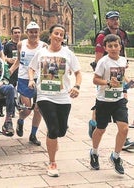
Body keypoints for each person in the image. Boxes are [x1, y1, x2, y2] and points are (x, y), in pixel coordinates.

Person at [28, 24, 82, 177]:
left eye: (61, 34)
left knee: (61, 131)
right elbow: (31, 68)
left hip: (63, 97)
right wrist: (31, 80)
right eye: (56, 33)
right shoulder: (41, 52)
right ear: (50, 35)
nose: (59, 36)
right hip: (45, 95)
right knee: (52, 128)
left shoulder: (68, 54)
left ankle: (53, 139)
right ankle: (52, 163)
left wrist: (77, 86)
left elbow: (78, 72)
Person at [88, 11, 134, 150]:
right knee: (104, 99)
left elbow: (123, 51)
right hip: (105, 74)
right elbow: (98, 57)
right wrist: (103, 74)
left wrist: (123, 64)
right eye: (112, 19)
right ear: (107, 21)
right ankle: (93, 122)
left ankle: (123, 138)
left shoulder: (122, 33)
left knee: (121, 98)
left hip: (118, 73)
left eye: (117, 19)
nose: (115, 21)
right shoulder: (102, 35)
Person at [89, 34, 131, 175]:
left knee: (124, 129)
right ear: (106, 48)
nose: (113, 48)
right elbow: (95, 80)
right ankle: (94, 152)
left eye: (116, 45)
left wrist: (129, 81)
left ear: (120, 46)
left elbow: (122, 76)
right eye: (110, 46)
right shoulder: (103, 62)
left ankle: (116, 156)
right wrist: (107, 83)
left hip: (118, 100)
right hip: (104, 101)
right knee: (101, 129)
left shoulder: (123, 60)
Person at [10, 21, 47, 146]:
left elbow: (48, 63)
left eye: (36, 32)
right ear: (27, 33)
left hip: (38, 79)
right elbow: (18, 61)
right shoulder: (21, 44)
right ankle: (21, 120)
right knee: (27, 109)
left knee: (39, 109)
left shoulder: (43, 46)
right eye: (31, 32)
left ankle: (33, 134)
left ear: (39, 32)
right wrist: (9, 72)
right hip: (24, 78)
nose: (33, 34)